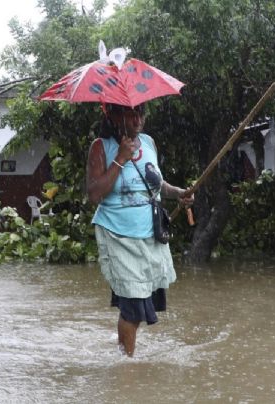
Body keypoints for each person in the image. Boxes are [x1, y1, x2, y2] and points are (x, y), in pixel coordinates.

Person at [86, 103, 194, 357]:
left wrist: (179, 193)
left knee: (142, 300)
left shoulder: (148, 142)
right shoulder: (101, 147)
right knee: (133, 307)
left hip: (150, 233)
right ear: (113, 117)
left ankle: (124, 351)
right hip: (118, 235)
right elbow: (94, 194)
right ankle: (127, 367)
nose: (138, 120)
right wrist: (120, 159)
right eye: (131, 115)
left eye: (141, 114)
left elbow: (155, 183)